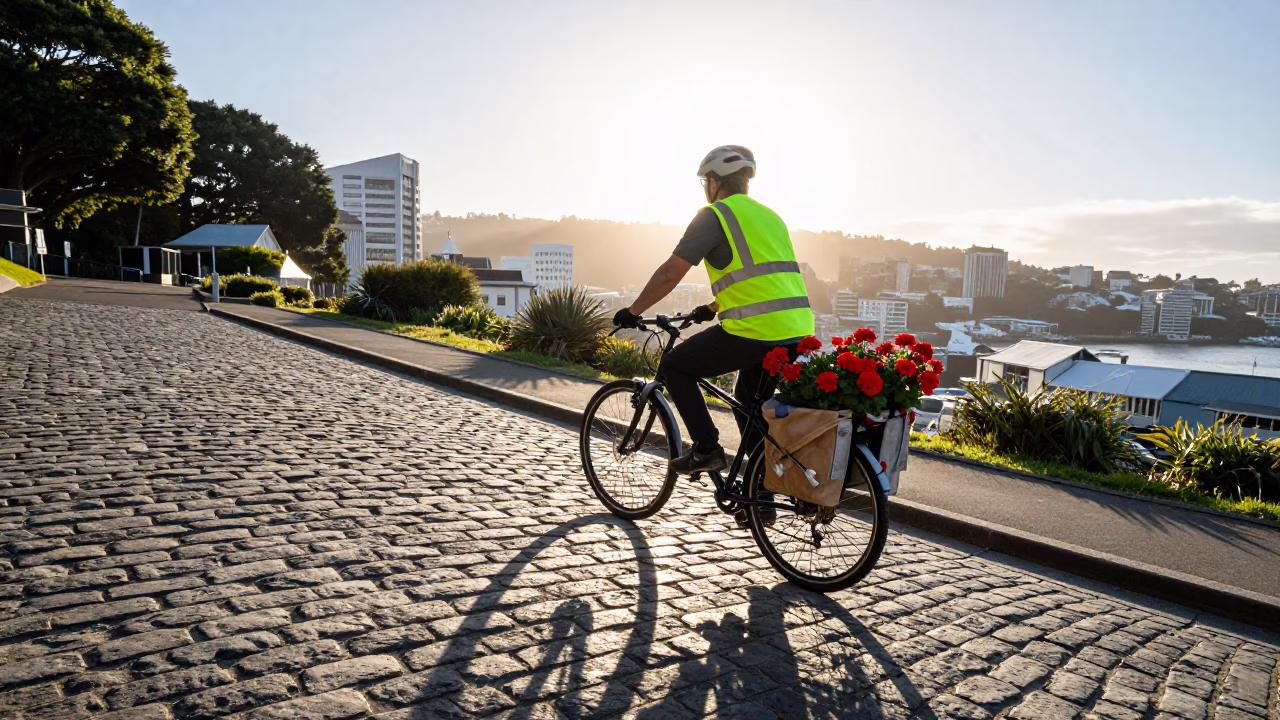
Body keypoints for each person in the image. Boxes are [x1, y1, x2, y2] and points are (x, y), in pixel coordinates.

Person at [613, 145, 815, 474]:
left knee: (677, 367)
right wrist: (711, 307)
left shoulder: (715, 215)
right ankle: (760, 496)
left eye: (706, 181)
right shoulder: (771, 217)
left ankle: (707, 449)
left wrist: (633, 311)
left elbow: (669, 274)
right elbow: (760, 279)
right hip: (795, 330)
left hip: (753, 331)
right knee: (749, 403)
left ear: (714, 183)